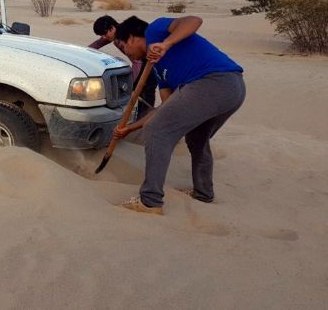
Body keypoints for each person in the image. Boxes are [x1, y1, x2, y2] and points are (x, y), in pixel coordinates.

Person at [112, 15, 245, 215]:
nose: (127, 53)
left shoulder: (155, 30)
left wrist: (166, 44)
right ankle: (203, 193)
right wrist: (130, 128)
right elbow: (166, 108)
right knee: (196, 137)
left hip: (215, 81)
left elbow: (194, 21)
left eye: (123, 47)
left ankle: (150, 202)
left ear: (131, 38)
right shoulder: (157, 69)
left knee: (156, 131)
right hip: (231, 90)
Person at [89, 15, 157, 119]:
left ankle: (145, 121)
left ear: (112, 28)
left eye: (104, 34)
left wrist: (132, 83)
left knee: (146, 97)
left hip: (148, 66)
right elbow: (98, 44)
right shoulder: (113, 34)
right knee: (139, 99)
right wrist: (84, 51)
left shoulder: (124, 36)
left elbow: (138, 63)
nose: (104, 37)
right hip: (140, 66)